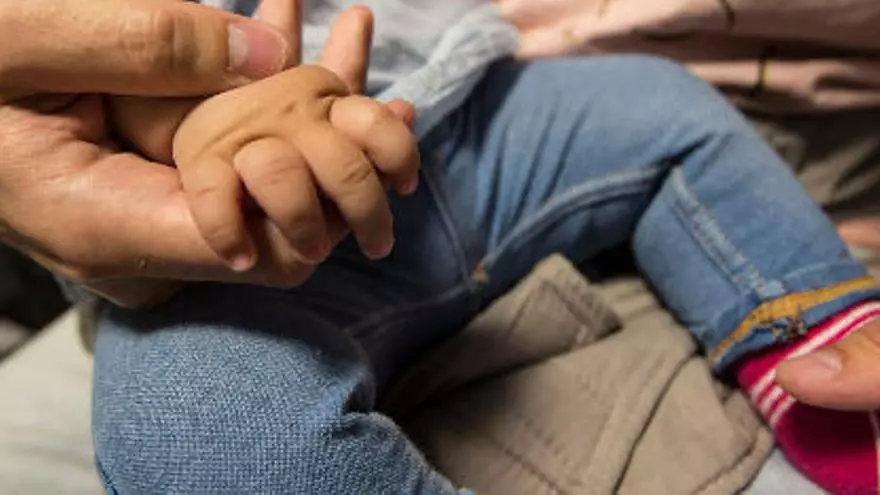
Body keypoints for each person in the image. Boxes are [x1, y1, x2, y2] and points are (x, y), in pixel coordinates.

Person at [88, 0, 880, 493]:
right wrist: (187, 123)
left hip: (473, 115)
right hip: (244, 251)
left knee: (667, 104)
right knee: (188, 428)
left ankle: (810, 328)